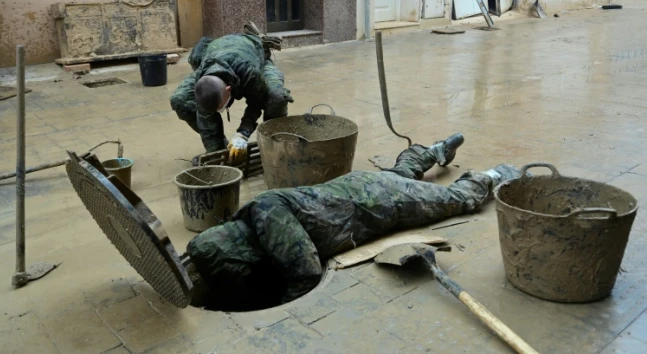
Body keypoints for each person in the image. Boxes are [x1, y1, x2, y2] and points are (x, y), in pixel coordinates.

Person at [184, 133, 523, 310]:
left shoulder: (268, 216)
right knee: (398, 176)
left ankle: (498, 173)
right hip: (360, 190)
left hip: (377, 204)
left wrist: (277, 306)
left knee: (457, 201)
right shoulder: (254, 222)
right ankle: (433, 151)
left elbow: (305, 273)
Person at [170, 22, 293, 163]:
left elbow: (256, 103)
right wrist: (216, 155)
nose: (219, 110)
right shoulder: (202, 73)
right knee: (180, 100)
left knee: (276, 97)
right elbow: (205, 114)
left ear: (229, 89)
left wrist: (243, 133)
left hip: (255, 58)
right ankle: (220, 148)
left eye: (220, 106)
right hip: (219, 55)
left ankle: (274, 144)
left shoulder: (249, 72)